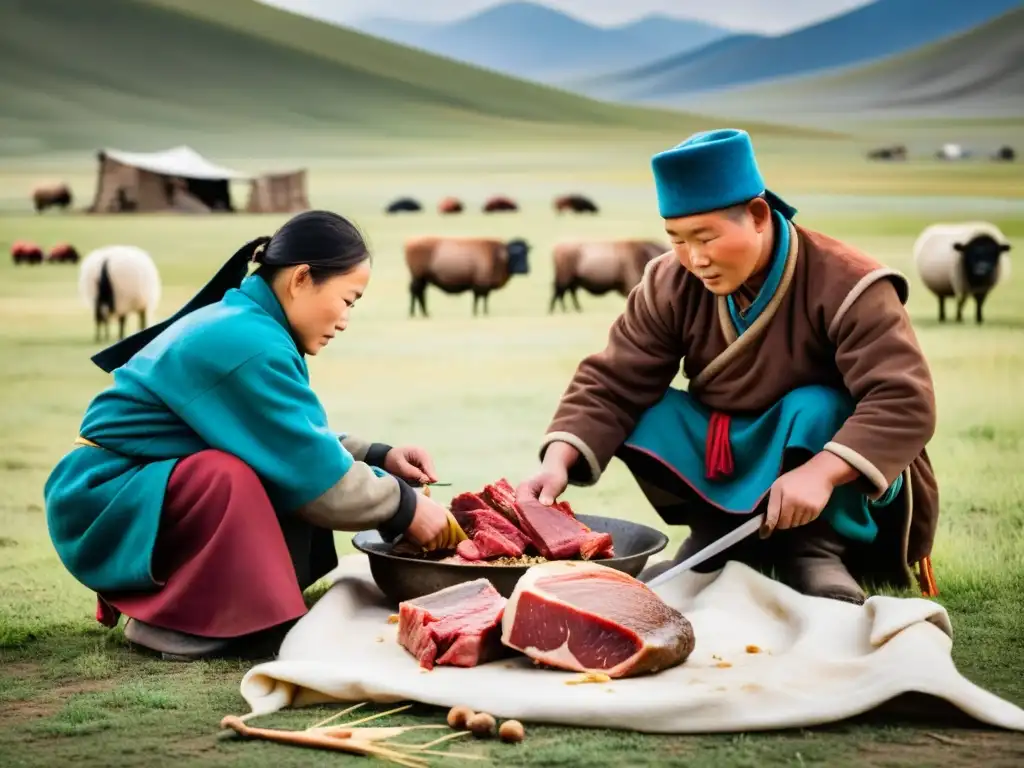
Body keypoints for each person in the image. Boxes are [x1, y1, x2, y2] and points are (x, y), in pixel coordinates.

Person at [517, 129, 940, 604]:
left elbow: (904, 399)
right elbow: (614, 380)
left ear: (758, 216)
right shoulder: (669, 281)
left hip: (822, 459)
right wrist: (557, 463)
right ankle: (714, 537)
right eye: (676, 239)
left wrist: (821, 472)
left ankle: (816, 550)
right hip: (727, 448)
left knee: (816, 405)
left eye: (706, 237)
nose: (694, 259)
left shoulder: (850, 282)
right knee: (644, 407)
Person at [44, 210, 452, 660]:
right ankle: (178, 626)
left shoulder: (250, 325)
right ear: (301, 279)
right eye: (348, 299)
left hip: (130, 488)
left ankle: (231, 608)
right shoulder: (249, 341)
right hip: (102, 499)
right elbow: (316, 479)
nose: (345, 320)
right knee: (227, 476)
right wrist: (406, 507)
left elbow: (287, 439)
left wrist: (379, 455)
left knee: (262, 468)